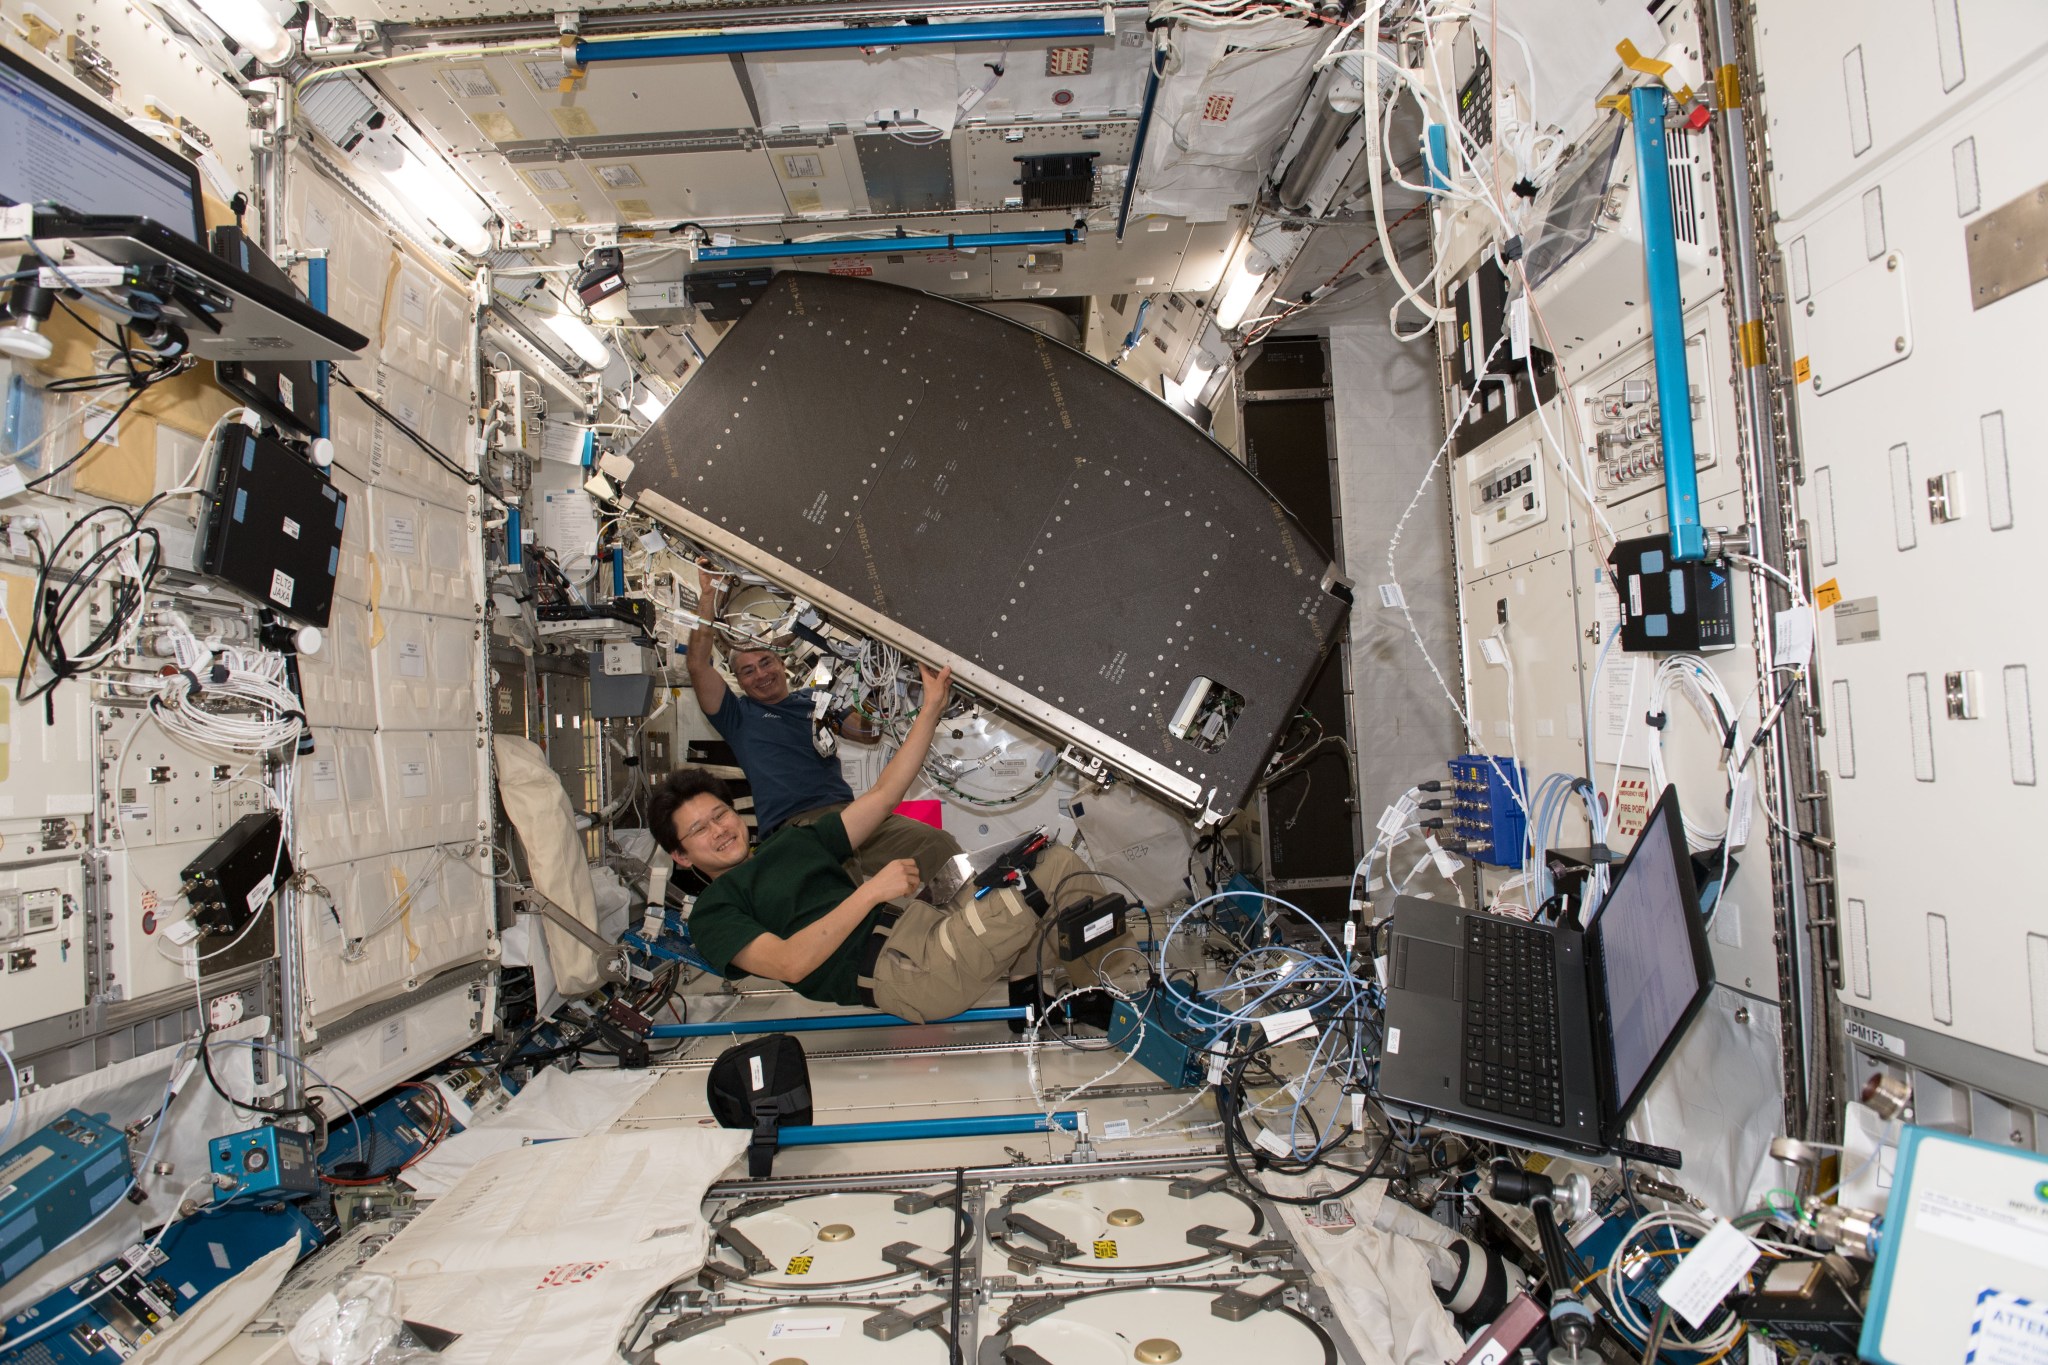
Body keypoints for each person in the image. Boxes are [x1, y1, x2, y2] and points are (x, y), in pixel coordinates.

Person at [651, 664, 1122, 1023]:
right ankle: (1111, 1001)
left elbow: (883, 795)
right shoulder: (714, 912)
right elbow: (790, 963)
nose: (719, 830)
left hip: (924, 930)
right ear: (681, 854)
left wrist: (932, 708)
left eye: (720, 815)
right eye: (699, 831)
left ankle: (1031, 998)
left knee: (1036, 867)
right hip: (908, 973)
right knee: (1059, 869)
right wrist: (870, 893)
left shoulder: (791, 846)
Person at [685, 564, 958, 883]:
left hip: (849, 815)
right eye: (748, 671)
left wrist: (879, 679)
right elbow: (696, 664)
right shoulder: (737, 715)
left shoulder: (814, 699)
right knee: (842, 885)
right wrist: (709, 596)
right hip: (797, 829)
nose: (761, 674)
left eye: (765, 662)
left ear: (780, 662)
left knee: (939, 847)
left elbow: (869, 733)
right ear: (739, 681)